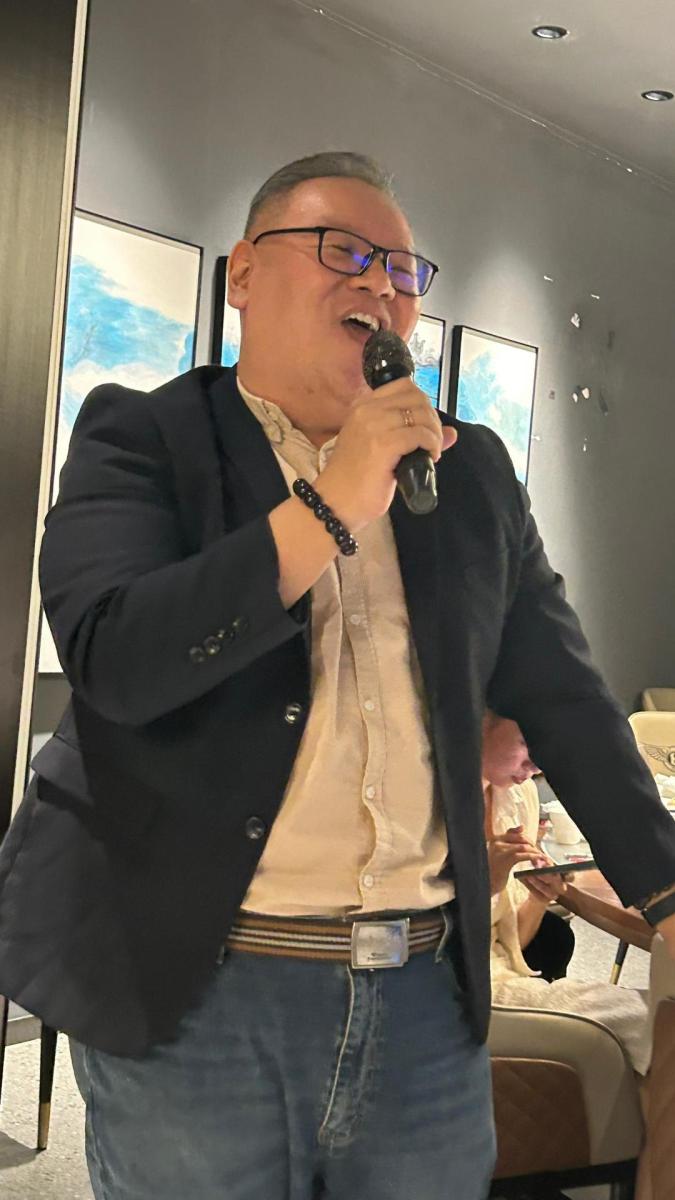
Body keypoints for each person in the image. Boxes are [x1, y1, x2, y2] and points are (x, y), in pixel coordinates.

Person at [0, 151, 675, 1199]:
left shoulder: (469, 470)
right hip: (196, 990)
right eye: (342, 251)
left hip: (421, 997)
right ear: (242, 273)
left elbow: (568, 697)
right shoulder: (141, 436)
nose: (381, 284)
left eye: (403, 270)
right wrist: (330, 500)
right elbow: (118, 661)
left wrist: (666, 893)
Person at [483, 713, 651, 1074]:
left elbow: (512, 945)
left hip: (509, 979)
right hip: (458, 994)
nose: (536, 765)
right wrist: (488, 883)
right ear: (481, 718)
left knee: (655, 1017)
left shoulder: (519, 795)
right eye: (527, 744)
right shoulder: (426, 807)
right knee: (647, 1024)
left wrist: (540, 897)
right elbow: (436, 952)